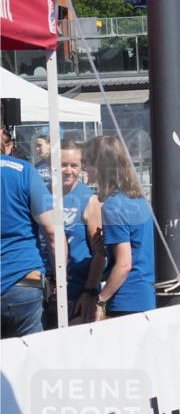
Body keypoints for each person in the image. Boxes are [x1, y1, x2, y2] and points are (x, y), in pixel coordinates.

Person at [85, 136, 155, 319]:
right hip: (145, 294)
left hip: (127, 300)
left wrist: (100, 300)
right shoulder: (138, 200)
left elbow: (124, 264)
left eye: (87, 162)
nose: (84, 168)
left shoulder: (113, 206)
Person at [1, 151, 56, 337]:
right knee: (28, 359)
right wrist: (56, 277)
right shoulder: (23, 170)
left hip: (22, 282)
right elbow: (51, 231)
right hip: (24, 280)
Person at [58, 139, 105, 323]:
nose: (68, 170)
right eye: (63, 165)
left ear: (81, 166)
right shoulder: (44, 195)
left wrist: (90, 291)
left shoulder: (88, 199)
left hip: (78, 291)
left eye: (73, 165)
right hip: (49, 292)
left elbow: (100, 254)